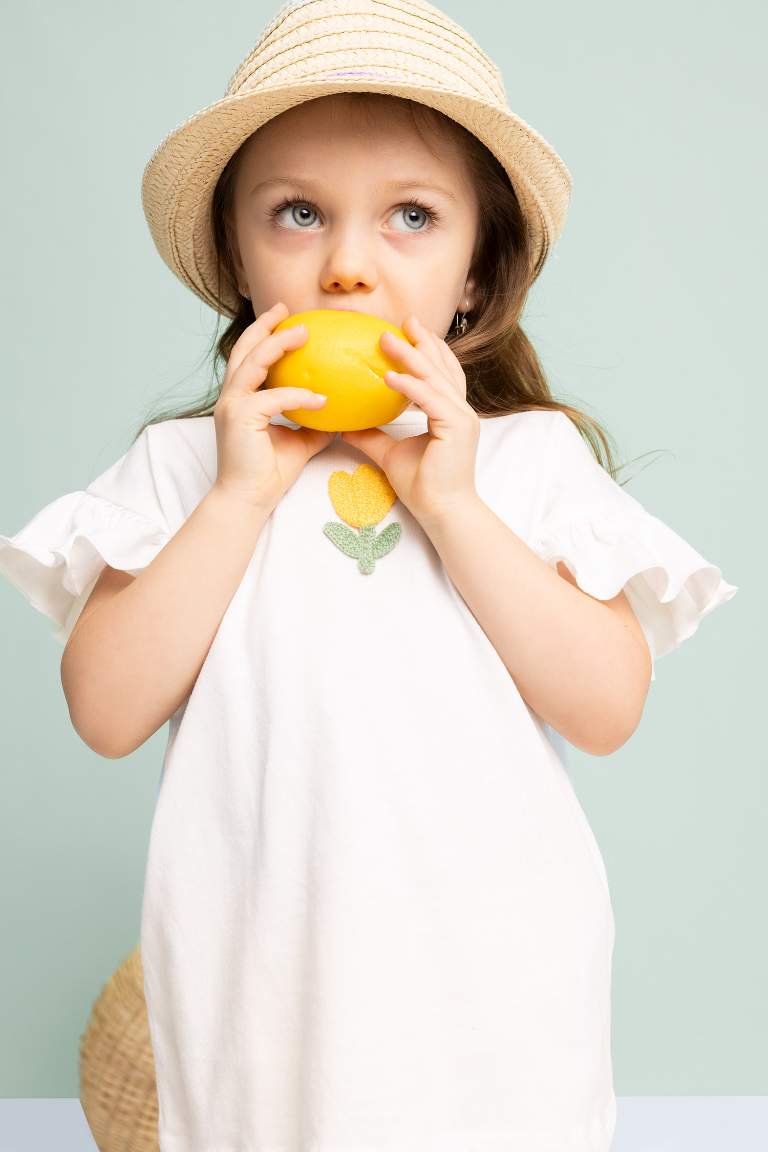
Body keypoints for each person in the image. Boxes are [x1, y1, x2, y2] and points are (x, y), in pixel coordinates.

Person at [0, 1, 739, 1150]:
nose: (347, 265)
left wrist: (450, 500)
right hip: (265, 994)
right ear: (240, 266)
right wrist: (241, 494)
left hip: (493, 990)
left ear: (474, 284)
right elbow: (103, 709)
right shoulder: (186, 466)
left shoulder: (526, 462)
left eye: (409, 216)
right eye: (298, 214)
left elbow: (606, 707)